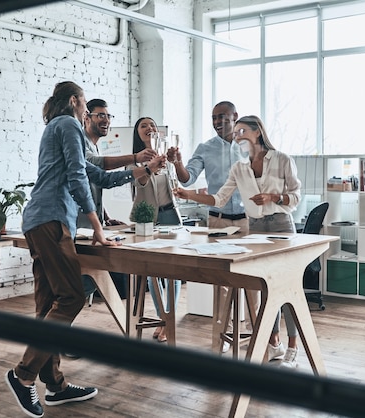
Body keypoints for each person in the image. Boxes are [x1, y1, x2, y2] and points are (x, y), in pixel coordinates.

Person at [5, 81, 165, 418]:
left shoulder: (57, 127)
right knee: (72, 298)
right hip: (51, 221)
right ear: (76, 101)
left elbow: (96, 172)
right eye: (87, 105)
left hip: (39, 220)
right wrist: (98, 228)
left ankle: (56, 385)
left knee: (48, 304)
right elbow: (80, 178)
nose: (89, 111)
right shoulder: (67, 124)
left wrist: (142, 168)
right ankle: (23, 376)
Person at [174, 115, 302, 369]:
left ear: (257, 132)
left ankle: (293, 346)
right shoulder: (239, 168)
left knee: (287, 288)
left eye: (242, 130)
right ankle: (273, 343)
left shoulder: (282, 159)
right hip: (254, 229)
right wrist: (188, 194)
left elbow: (296, 195)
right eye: (235, 134)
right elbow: (219, 199)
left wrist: (274, 197)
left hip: (281, 226)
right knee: (266, 288)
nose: (237, 136)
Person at [167, 101, 253, 353]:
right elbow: (188, 177)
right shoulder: (205, 148)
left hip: (248, 221)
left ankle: (255, 332)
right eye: (214, 118)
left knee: (251, 280)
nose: (217, 122)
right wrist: (178, 163)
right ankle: (222, 336)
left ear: (235, 117)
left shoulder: (249, 146)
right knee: (222, 281)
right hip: (217, 220)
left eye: (223, 117)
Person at [78, 98, 157, 303]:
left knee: (86, 283)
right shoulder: (81, 144)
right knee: (80, 286)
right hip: (79, 226)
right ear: (86, 117)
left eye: (108, 116)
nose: (106, 120)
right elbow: (99, 172)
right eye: (100, 115)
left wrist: (105, 217)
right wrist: (137, 159)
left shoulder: (95, 146)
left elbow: (92, 188)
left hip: (92, 224)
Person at [129, 116, 182, 343]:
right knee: (152, 271)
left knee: (174, 272)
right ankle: (164, 320)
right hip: (146, 217)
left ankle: (167, 322)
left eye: (152, 125)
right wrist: (150, 168)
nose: (149, 128)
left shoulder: (167, 156)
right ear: (138, 133)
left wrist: (173, 162)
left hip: (170, 214)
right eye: (143, 126)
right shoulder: (133, 162)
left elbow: (180, 180)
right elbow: (140, 183)